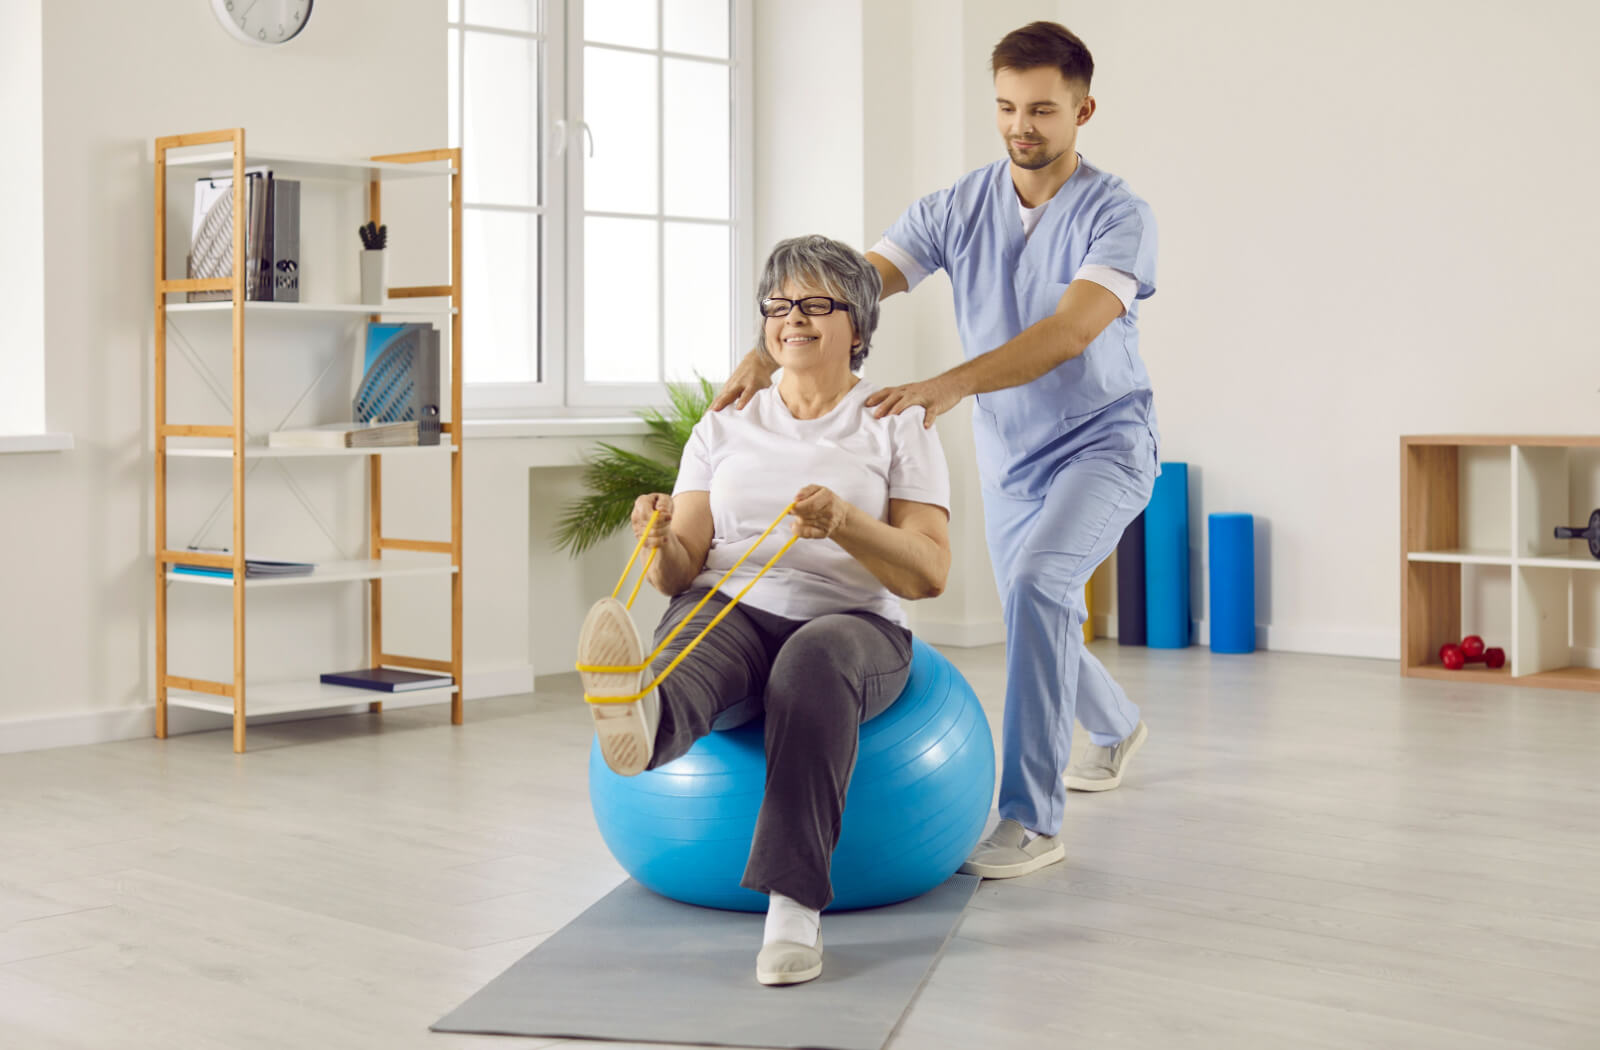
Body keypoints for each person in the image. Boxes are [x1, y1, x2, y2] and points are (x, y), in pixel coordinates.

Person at [713, 22, 1156, 880]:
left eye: (1041, 110)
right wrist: (763, 350)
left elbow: (1070, 332)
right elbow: (850, 286)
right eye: (1005, 107)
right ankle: (1116, 724)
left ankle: (1031, 818)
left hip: (1105, 441)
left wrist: (948, 385)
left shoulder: (1119, 214)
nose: (1020, 125)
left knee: (1037, 585)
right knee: (1040, 602)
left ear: (1082, 111)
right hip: (1010, 453)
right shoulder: (960, 205)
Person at [575, 235, 952, 987]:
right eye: (779, 305)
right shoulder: (723, 425)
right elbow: (683, 563)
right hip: (735, 606)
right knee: (695, 626)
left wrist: (845, 522)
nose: (793, 320)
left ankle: (793, 910)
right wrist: (656, 542)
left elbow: (929, 573)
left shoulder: (894, 421)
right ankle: (647, 721)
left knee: (812, 661)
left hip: (854, 623)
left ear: (859, 323)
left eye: (816, 304)